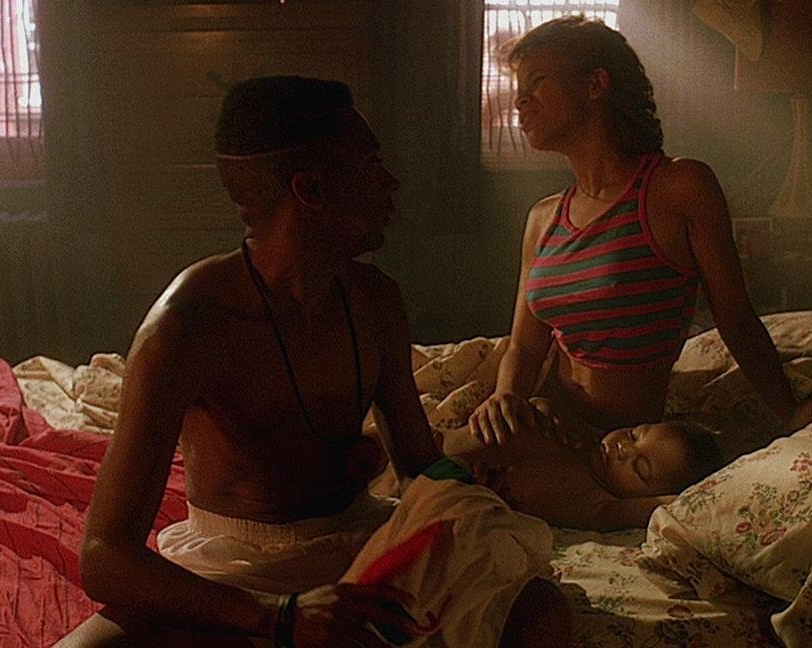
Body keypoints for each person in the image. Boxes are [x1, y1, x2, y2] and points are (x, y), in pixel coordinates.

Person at [58, 76, 568, 648]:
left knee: (538, 609)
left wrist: (465, 485)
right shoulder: (187, 326)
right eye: (372, 165)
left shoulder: (376, 301)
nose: (391, 184)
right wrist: (279, 616)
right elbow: (104, 557)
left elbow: (418, 464)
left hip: (358, 545)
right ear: (312, 189)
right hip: (236, 575)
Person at [470, 15, 812, 446]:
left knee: (449, 466)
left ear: (596, 84)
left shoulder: (678, 189)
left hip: (619, 445)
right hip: (543, 418)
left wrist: (790, 412)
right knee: (452, 450)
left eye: (537, 83)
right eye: (519, 88)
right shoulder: (544, 217)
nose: (520, 101)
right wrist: (504, 397)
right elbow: (525, 348)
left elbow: (736, 318)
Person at [446, 397, 721, 531]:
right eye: (634, 435)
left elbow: (682, 504)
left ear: (643, 496)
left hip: (463, 501)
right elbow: (540, 403)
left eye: (639, 468)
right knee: (517, 427)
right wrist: (542, 409)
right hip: (455, 457)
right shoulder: (580, 437)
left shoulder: (602, 507)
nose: (623, 449)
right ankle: (432, 450)